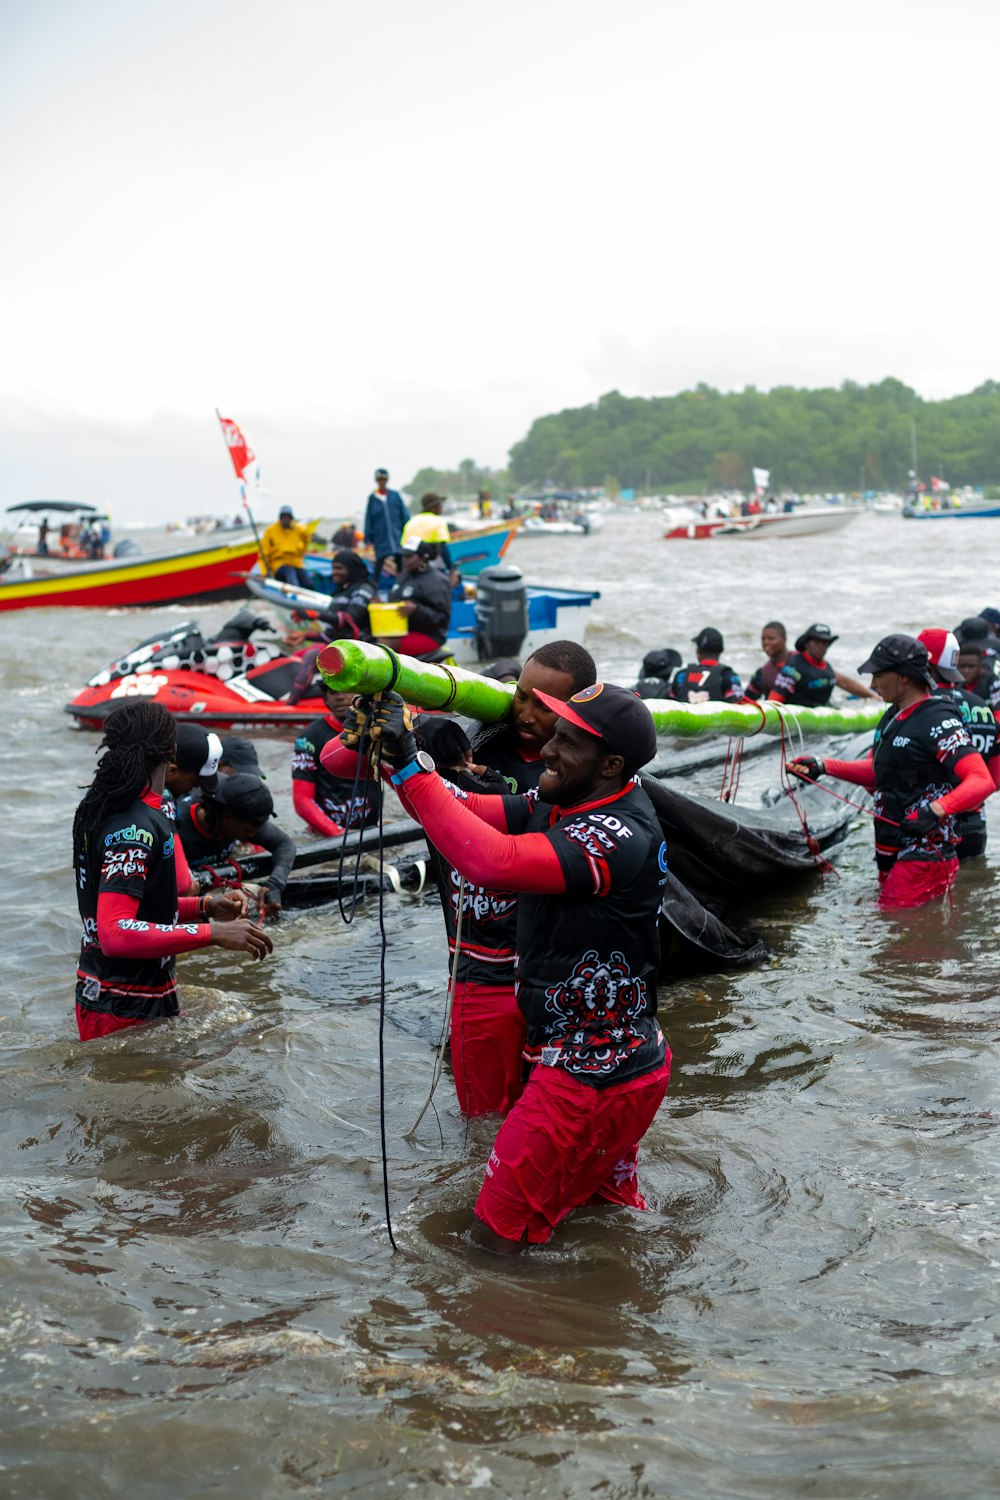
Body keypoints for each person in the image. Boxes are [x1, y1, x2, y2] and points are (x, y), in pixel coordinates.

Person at [366, 680, 670, 1252]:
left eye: (567, 742)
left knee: (493, 1243)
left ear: (609, 764)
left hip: (589, 1076)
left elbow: (492, 861)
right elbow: (473, 811)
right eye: (553, 733)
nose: (548, 750)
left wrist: (412, 770)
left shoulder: (615, 833)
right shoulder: (566, 800)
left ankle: (522, 1339)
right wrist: (396, 759)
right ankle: (613, 1323)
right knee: (599, 1225)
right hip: (618, 1063)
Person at [414, 642, 598, 1115]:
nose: (527, 714)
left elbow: (502, 851)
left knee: (549, 1114)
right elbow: (340, 758)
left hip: (553, 974)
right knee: (483, 1122)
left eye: (545, 706)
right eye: (520, 697)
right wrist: (406, 728)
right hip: (480, 967)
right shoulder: (469, 744)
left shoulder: (587, 775)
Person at [72, 702, 272, 1041]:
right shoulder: (133, 828)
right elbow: (116, 931)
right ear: (169, 752)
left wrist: (205, 907)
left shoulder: (108, 804)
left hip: (130, 994)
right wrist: (213, 934)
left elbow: (140, 908)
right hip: (120, 1004)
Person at [787, 634, 994, 908]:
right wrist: (824, 766)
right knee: (891, 929)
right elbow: (879, 773)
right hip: (891, 843)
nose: (871, 684)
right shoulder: (892, 714)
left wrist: (937, 810)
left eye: (878, 674)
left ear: (904, 676)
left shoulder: (939, 719)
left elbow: (982, 780)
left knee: (898, 938)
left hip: (924, 851)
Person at [918, 628, 1000, 859]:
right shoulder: (983, 708)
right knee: (971, 886)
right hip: (975, 821)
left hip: (926, 822)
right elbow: (994, 780)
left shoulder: (917, 708)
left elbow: (879, 772)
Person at [176, 773, 296, 919]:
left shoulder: (238, 820)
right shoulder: (178, 829)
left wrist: (274, 885)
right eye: (248, 830)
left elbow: (285, 845)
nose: (252, 836)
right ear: (226, 816)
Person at [293, 684, 382, 837]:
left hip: (371, 827)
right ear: (326, 698)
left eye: (346, 691)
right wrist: (337, 833)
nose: (340, 697)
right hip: (328, 834)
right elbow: (302, 800)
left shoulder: (376, 729)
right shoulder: (308, 737)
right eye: (333, 692)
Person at [769, 623, 876, 706]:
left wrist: (872, 696)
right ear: (807, 643)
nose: (821, 646)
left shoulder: (826, 667)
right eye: (816, 642)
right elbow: (775, 698)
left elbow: (844, 683)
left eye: (825, 642)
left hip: (825, 710)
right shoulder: (793, 667)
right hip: (800, 717)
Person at [382, 539, 452, 656]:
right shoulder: (404, 575)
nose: (404, 560)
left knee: (383, 645)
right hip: (401, 630)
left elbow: (443, 619)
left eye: (409, 556)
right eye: (403, 556)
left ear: (423, 557)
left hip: (430, 635)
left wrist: (416, 610)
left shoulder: (436, 580)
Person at [364, 468, 409, 589]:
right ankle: (375, 587)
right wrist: (368, 539)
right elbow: (369, 519)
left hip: (396, 535)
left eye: (384, 479)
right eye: (380, 480)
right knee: (380, 561)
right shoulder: (373, 499)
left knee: (400, 559)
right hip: (381, 537)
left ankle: (401, 584)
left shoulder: (395, 496)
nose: (382, 482)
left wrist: (407, 529)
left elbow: (404, 515)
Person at [670, 628, 742, 703]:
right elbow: (738, 705)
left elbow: (670, 705)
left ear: (698, 651)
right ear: (721, 651)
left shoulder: (681, 676)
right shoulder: (728, 676)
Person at [401, 493, 458, 584]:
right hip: (433, 569)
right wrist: (451, 571)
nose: (442, 507)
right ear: (434, 507)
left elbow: (404, 548)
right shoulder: (438, 521)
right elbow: (443, 549)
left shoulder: (411, 522)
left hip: (412, 570)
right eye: (440, 505)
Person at [260, 505, 315, 587]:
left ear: (291, 518)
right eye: (283, 517)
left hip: (296, 562)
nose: (286, 520)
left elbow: (307, 537)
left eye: (288, 517)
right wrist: (265, 572)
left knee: (308, 583)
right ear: (280, 518)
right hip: (279, 564)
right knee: (290, 573)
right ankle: (294, 595)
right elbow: (263, 553)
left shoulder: (297, 528)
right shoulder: (271, 530)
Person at [743, 621, 789, 701]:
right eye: (763, 639)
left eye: (771, 638)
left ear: (785, 639)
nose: (765, 643)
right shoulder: (762, 673)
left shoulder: (800, 662)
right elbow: (745, 700)